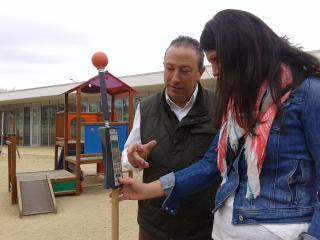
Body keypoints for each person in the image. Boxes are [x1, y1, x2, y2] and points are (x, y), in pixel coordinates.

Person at [116, 9, 320, 240]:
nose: (216, 71)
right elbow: (210, 164)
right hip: (220, 230)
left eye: (217, 60)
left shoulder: (310, 94)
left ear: (244, 53)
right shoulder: (239, 104)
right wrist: (145, 189)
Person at [121, 36, 220, 240]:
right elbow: (127, 156)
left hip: (203, 225)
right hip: (153, 223)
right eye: (169, 68)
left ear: (201, 72)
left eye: (184, 70)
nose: (175, 78)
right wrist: (133, 159)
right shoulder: (146, 107)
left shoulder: (219, 106)